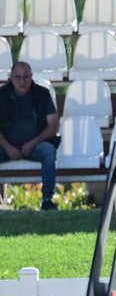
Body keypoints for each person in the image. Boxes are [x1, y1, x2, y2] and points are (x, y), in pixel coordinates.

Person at [0, 61, 60, 211]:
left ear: (31, 77)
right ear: (11, 78)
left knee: (48, 151)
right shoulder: (1, 95)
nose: (22, 81)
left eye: (26, 77)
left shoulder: (43, 94)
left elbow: (53, 126)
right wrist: (8, 148)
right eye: (18, 77)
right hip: (6, 146)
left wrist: (33, 143)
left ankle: (47, 200)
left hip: (36, 146)